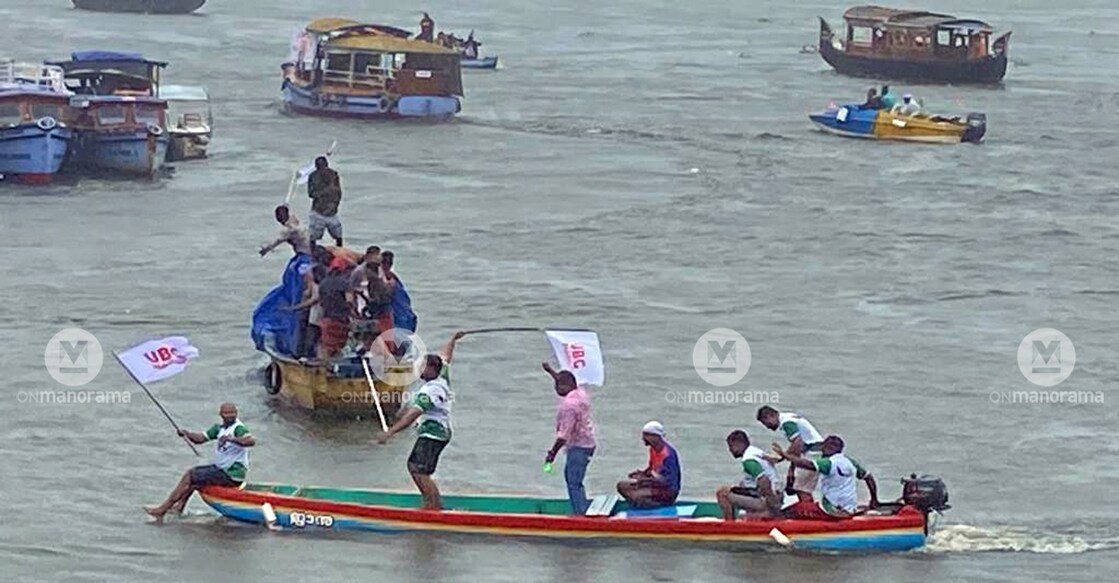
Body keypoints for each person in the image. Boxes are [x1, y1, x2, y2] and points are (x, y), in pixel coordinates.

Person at [377, 331, 466, 510]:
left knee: (418, 470)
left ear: (432, 369)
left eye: (422, 368)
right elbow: (446, 355)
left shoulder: (431, 391)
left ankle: (433, 506)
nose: (419, 371)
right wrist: (452, 340)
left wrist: (390, 432)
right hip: (440, 432)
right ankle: (432, 503)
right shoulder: (443, 374)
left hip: (433, 433)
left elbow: (412, 415)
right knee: (417, 468)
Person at [144, 403, 255, 522]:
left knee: (190, 475)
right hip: (221, 469)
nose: (230, 416)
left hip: (232, 474)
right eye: (227, 414)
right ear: (221, 415)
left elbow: (250, 441)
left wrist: (231, 439)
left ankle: (162, 509)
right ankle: (179, 506)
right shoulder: (218, 429)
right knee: (196, 479)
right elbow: (200, 438)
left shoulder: (238, 428)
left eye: (232, 413)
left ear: (236, 413)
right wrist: (186, 433)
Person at [542, 363, 597, 515]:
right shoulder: (580, 393)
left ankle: (579, 514)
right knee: (575, 479)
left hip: (579, 446)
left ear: (565, 386)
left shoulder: (569, 406)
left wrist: (552, 454)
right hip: (588, 442)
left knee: (573, 481)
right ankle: (581, 508)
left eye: (556, 386)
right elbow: (564, 381)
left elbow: (564, 435)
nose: (555, 389)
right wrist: (550, 371)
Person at [780, 435, 879, 517]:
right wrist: (874, 499)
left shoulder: (829, 463)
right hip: (849, 508)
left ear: (826, 447)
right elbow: (869, 477)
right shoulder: (850, 462)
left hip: (831, 510)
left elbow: (807, 464)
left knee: (793, 510)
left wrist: (786, 456)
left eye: (824, 446)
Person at [756, 406, 824, 503]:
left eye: (765, 423)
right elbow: (797, 448)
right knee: (800, 486)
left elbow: (797, 442)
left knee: (801, 488)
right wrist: (791, 467)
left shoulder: (787, 423)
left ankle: (808, 512)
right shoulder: (790, 417)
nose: (767, 427)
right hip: (814, 451)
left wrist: (782, 456)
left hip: (812, 453)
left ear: (769, 416)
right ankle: (808, 509)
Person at [715, 430, 781, 520]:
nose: (730, 450)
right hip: (775, 493)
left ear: (739, 444)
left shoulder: (748, 460)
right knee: (741, 484)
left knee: (722, 494)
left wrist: (773, 505)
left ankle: (729, 524)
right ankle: (759, 513)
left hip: (768, 499)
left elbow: (764, 481)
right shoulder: (755, 451)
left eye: (731, 446)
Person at [616, 421, 681, 508]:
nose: (643, 438)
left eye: (646, 435)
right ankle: (643, 502)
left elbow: (667, 481)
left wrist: (645, 481)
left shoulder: (668, 455)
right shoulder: (653, 450)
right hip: (654, 485)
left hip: (667, 491)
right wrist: (642, 473)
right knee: (621, 485)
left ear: (655, 436)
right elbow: (652, 469)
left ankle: (657, 506)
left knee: (635, 496)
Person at [317, 256, 355, 358]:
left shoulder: (323, 284)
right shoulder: (346, 283)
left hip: (327, 318)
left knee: (327, 345)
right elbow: (350, 301)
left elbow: (320, 301)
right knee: (340, 345)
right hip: (342, 319)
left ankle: (325, 367)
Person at [307, 157, 343, 247]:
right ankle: (312, 253)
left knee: (338, 235)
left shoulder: (334, 175)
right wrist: (325, 191)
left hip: (332, 211)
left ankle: (340, 252)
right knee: (313, 237)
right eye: (320, 167)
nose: (323, 170)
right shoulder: (313, 176)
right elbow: (311, 194)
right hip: (318, 211)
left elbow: (338, 192)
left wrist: (336, 204)